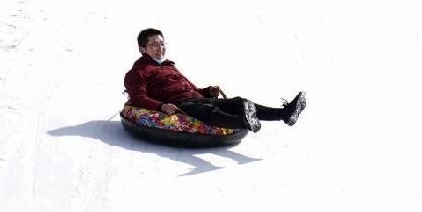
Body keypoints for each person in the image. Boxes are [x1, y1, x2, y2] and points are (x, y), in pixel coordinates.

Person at [124, 28, 306, 133]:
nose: (160, 48)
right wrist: (162, 106)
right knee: (209, 111)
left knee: (238, 102)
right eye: (154, 45)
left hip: (197, 98)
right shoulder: (138, 71)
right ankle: (244, 122)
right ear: (142, 49)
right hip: (180, 105)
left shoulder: (170, 66)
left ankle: (285, 114)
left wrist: (206, 91)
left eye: (162, 43)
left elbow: (191, 88)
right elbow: (138, 97)